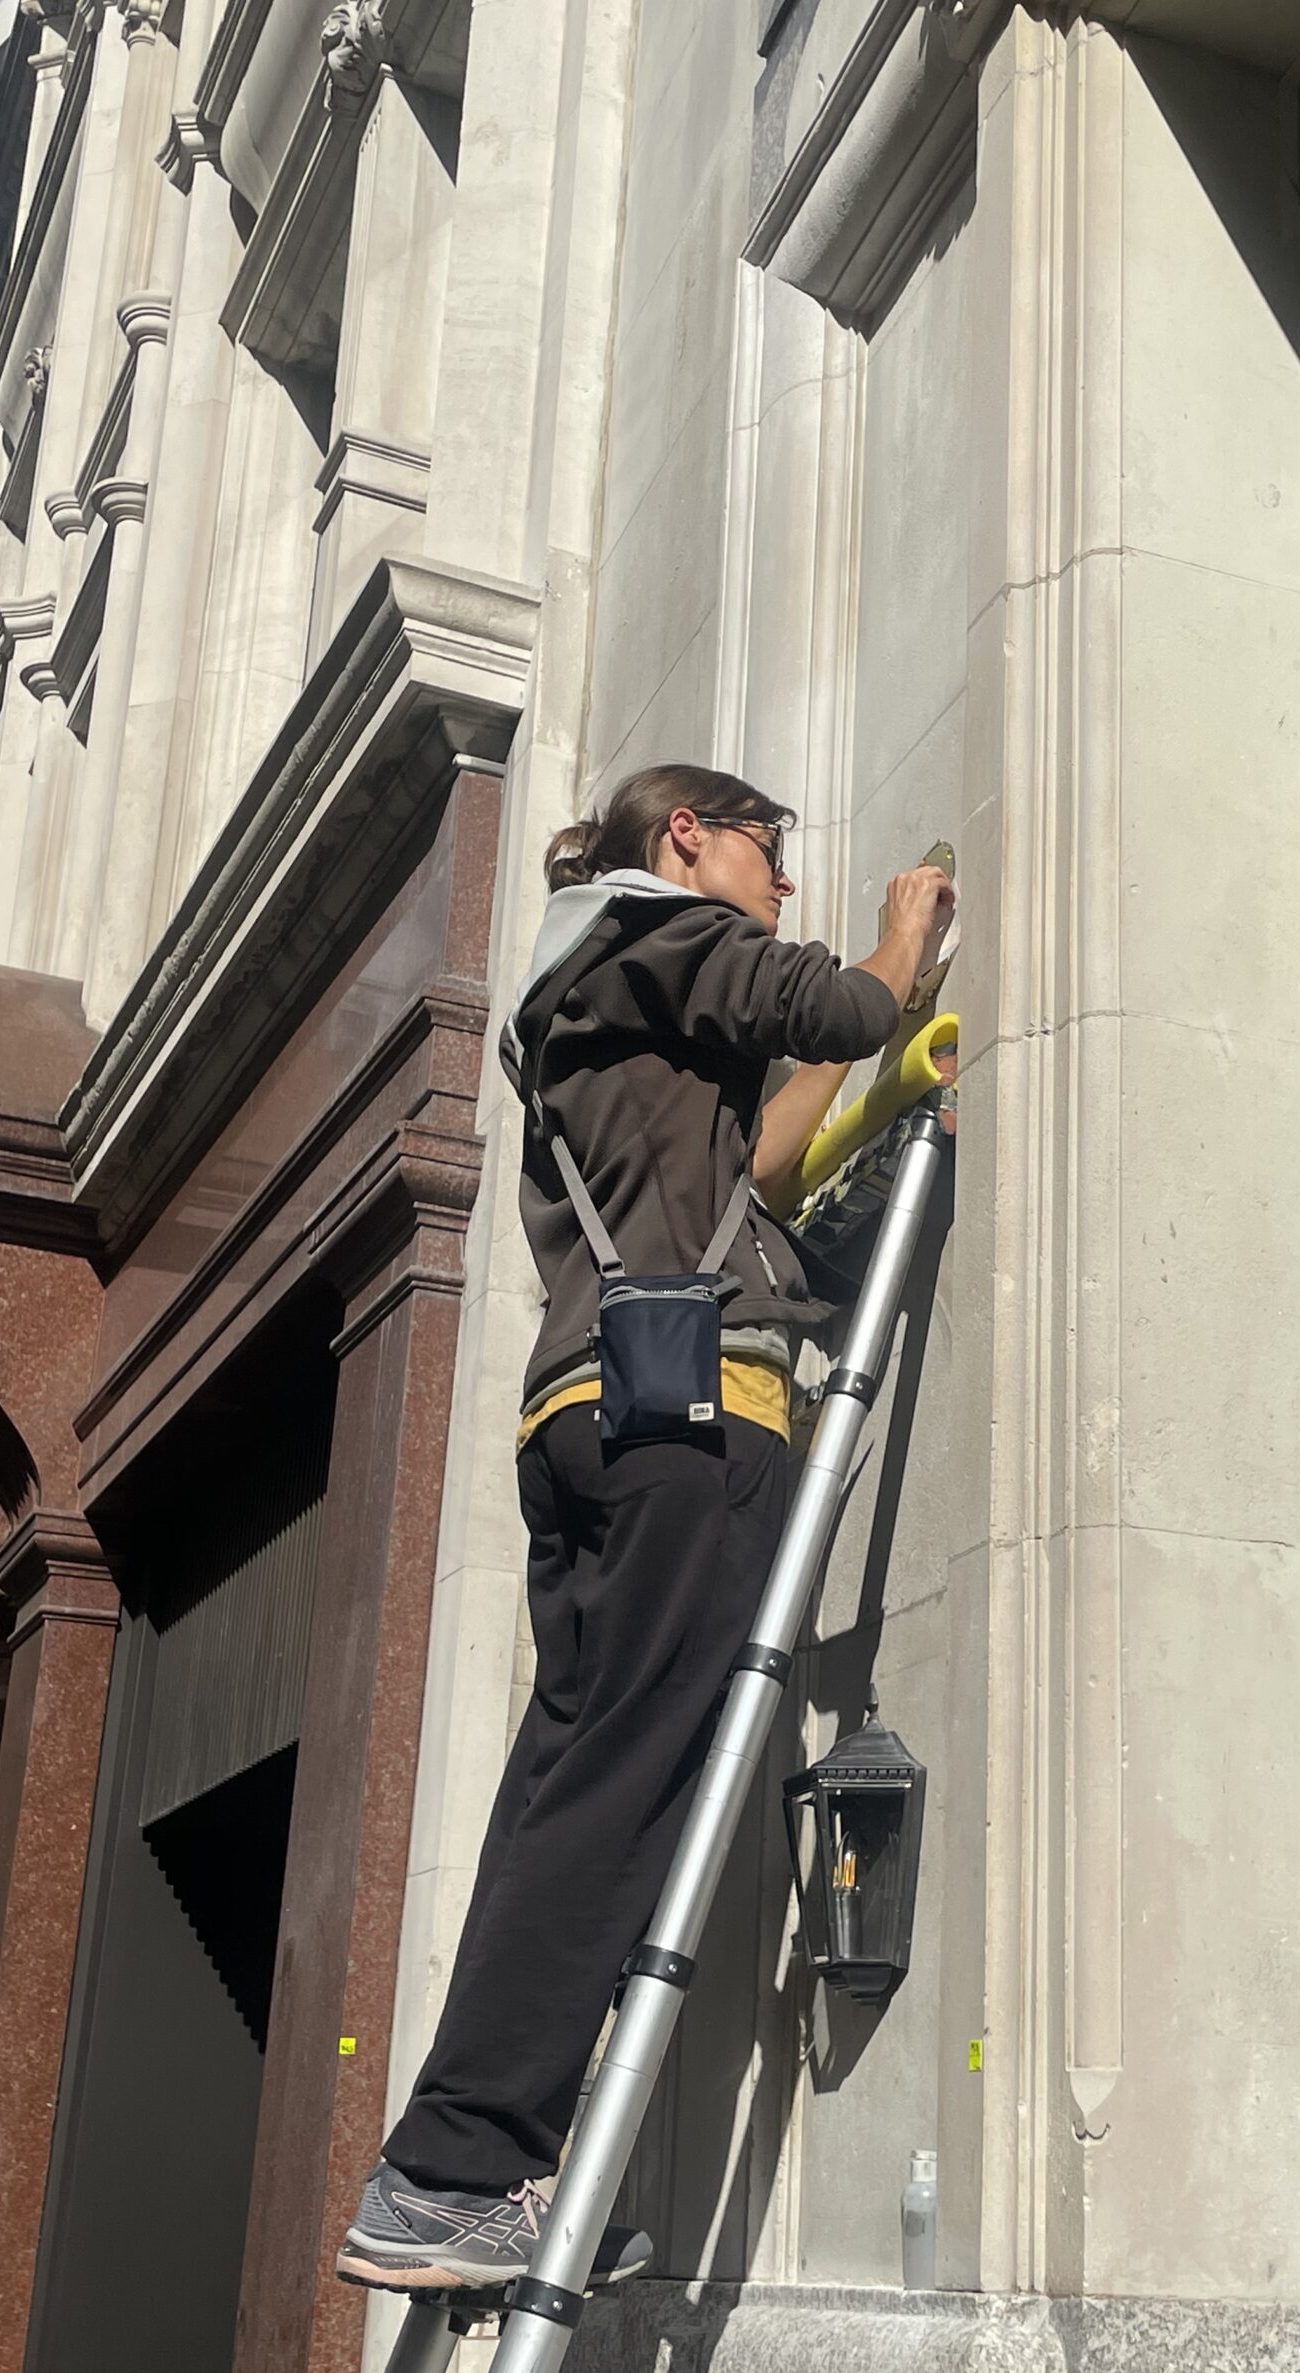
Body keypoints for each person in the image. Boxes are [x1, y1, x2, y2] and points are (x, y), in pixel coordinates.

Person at [336, 764, 955, 2292]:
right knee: (627, 1777)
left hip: (591, 1415)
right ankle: (459, 2164)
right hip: (682, 1416)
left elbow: (753, 1158)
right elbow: (836, 1005)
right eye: (768, 850)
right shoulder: (649, 930)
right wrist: (900, 940)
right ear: (688, 835)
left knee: (569, 1775)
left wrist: (853, 1087)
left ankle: (464, 2158)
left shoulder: (605, 991)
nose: (781, 884)